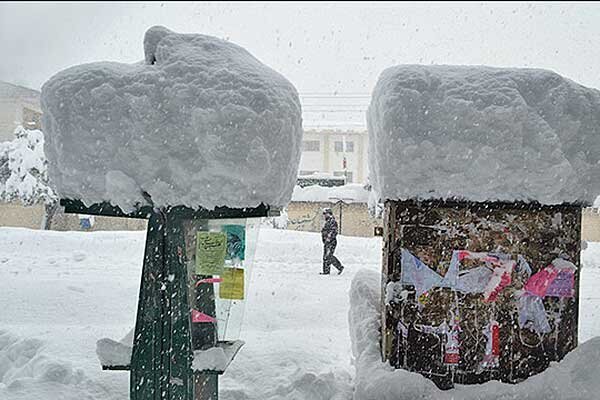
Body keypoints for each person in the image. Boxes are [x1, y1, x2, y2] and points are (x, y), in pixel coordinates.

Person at [320, 208, 344, 275]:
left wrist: (328, 238)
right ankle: (326, 272)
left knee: (329, 256)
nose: (324, 215)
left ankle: (340, 267)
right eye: (324, 214)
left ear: (329, 214)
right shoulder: (327, 222)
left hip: (331, 242)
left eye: (325, 214)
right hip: (327, 242)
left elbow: (334, 231)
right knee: (325, 257)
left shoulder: (332, 221)